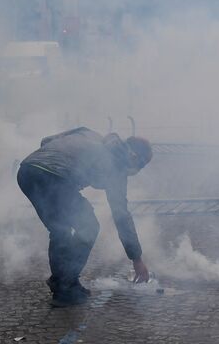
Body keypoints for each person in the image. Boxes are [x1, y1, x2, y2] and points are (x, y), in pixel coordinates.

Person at [17, 127, 153, 307]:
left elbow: (46, 140)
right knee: (88, 226)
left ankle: (65, 282)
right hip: (55, 177)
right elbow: (121, 215)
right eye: (141, 166)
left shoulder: (88, 132)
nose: (138, 171)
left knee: (60, 230)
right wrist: (137, 258)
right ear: (134, 157)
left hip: (27, 171)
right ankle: (64, 286)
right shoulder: (118, 166)